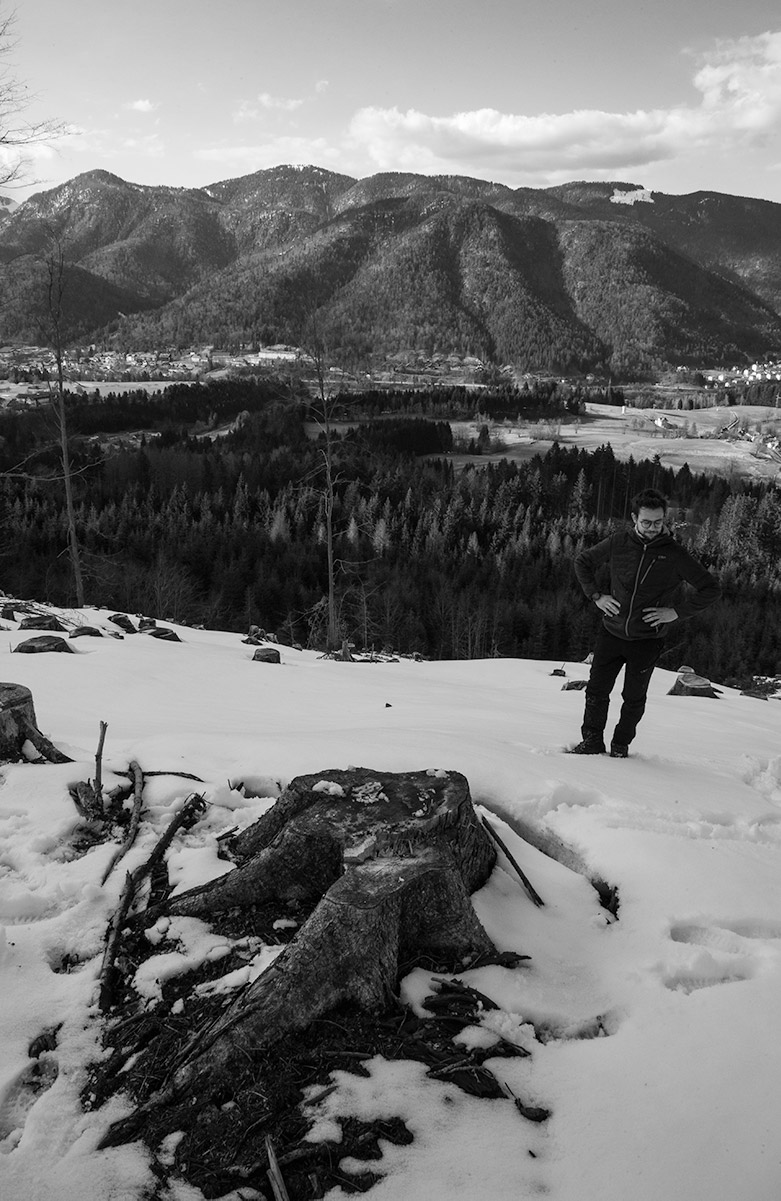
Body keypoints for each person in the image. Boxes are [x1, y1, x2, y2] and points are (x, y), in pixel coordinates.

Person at [571, 488, 720, 757]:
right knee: (596, 691)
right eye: (646, 522)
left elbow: (710, 589)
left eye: (658, 522)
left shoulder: (674, 554)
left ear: (664, 520)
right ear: (634, 518)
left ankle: (620, 746)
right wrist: (596, 596)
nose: (652, 528)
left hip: (647, 640)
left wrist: (676, 612)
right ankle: (592, 742)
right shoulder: (618, 542)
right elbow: (582, 561)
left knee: (634, 698)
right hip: (611, 632)